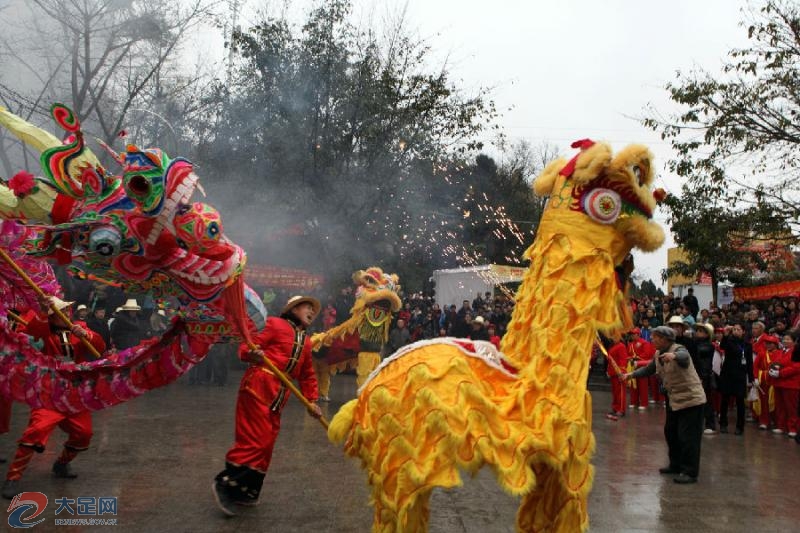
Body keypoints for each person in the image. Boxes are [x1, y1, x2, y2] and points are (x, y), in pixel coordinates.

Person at [212, 296, 322, 515]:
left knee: (267, 445)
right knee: (255, 440)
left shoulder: (307, 341)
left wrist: (312, 400)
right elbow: (248, 345)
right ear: (293, 309)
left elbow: (308, 374)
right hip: (258, 387)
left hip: (279, 396)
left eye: (313, 310)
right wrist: (252, 353)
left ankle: (246, 490)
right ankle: (225, 483)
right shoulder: (273, 324)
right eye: (307, 307)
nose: (312, 312)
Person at [2, 296, 105, 499]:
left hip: (74, 393)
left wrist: (87, 335)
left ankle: (62, 464)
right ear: (52, 317)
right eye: (60, 311)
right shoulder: (45, 331)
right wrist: (43, 312)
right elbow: (32, 332)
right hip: (49, 391)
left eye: (66, 310)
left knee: (84, 434)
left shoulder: (80, 327)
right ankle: (13, 478)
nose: (66, 313)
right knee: (36, 431)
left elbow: (99, 347)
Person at [624, 326, 706, 484]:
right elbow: (649, 369)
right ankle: (675, 465)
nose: (652, 339)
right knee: (671, 433)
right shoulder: (658, 354)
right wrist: (630, 375)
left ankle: (690, 472)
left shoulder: (678, 348)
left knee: (688, 437)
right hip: (674, 399)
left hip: (691, 399)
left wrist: (674, 356)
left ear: (664, 339)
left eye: (655, 337)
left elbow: (684, 357)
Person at [717, 324, 754, 435]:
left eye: (738, 329)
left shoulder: (747, 345)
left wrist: (751, 377)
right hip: (728, 375)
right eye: (734, 329)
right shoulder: (729, 341)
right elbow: (722, 346)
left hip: (740, 376)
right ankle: (723, 424)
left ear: (743, 331)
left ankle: (740, 427)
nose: (736, 331)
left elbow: (749, 362)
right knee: (725, 400)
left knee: (740, 401)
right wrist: (725, 334)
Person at [770, 331, 800, 437]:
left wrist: (781, 373)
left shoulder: (796, 351)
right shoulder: (780, 351)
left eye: (788, 339)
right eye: (784, 339)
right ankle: (781, 426)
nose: (785, 341)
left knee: (791, 408)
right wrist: (771, 370)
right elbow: (773, 362)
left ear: (794, 341)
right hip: (778, 382)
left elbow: (796, 367)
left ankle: (793, 428)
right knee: (780, 406)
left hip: (791, 383)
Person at [693, 323, 717, 434]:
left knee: (706, 401)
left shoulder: (708, 346)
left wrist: (702, 377)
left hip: (704, 376)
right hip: (695, 375)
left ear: (707, 334)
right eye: (697, 330)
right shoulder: (695, 343)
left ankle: (710, 424)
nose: (697, 332)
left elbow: (703, 361)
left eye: (701, 331)